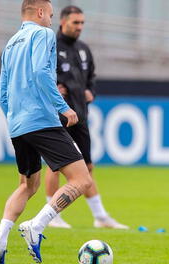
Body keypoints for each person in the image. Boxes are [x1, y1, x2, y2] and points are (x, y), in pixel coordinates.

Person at [0, 1, 92, 263]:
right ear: (41, 12)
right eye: (51, 16)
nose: (51, 22)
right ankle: (37, 225)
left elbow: (3, 93)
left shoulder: (10, 45)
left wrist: (15, 119)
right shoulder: (42, 34)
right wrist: (63, 107)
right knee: (82, 180)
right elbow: (41, 71)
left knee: (26, 185)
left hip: (18, 124)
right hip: (42, 120)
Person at [44, 5, 128, 230]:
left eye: (82, 23)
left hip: (80, 116)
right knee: (55, 167)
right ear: (63, 22)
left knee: (87, 167)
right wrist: (54, 88)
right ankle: (52, 216)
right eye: (75, 23)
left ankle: (100, 216)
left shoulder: (83, 49)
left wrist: (91, 90)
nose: (79, 27)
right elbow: (42, 75)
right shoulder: (51, 46)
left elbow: (91, 76)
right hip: (59, 116)